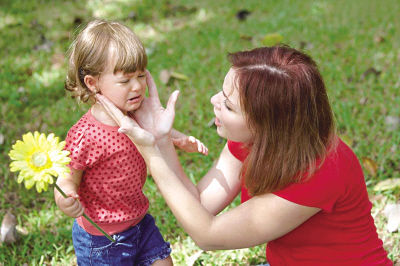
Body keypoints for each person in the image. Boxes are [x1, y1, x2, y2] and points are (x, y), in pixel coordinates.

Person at [97, 45, 393, 265]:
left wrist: (152, 153)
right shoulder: (256, 140)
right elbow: (200, 205)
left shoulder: (321, 170)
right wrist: (160, 141)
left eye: (228, 105)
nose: (214, 102)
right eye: (221, 94)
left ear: (267, 124)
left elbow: (208, 235)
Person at [54, 19, 207, 266]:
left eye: (140, 76)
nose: (137, 86)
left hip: (140, 221)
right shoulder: (85, 135)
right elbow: (67, 177)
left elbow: (157, 131)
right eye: (125, 81)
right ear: (92, 83)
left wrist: (179, 139)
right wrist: (65, 197)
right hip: (102, 238)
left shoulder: (137, 112)